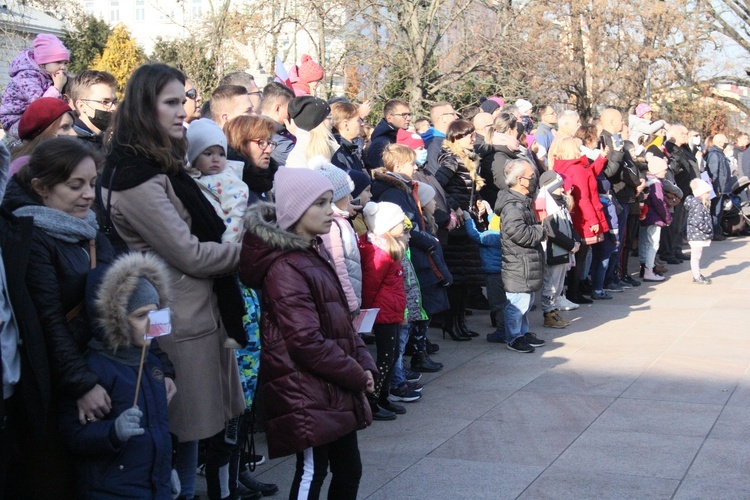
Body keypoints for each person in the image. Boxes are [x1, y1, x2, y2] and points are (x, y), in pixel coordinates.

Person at [100, 63, 245, 500]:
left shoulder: (159, 165)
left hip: (193, 314)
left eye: (184, 100)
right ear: (145, 108)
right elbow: (189, 253)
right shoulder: (138, 177)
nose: (184, 111)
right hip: (177, 322)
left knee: (190, 437)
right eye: (171, 102)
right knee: (180, 438)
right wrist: (245, 252)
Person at [240, 167, 377, 499]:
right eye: (321, 203)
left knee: (349, 470)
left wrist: (364, 364)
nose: (331, 210)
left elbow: (340, 323)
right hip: (307, 388)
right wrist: (357, 374)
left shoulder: (311, 252)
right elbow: (305, 341)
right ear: (296, 210)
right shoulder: (286, 266)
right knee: (313, 472)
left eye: (330, 201)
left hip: (332, 384)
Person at [2, 137, 117, 497]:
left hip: (101, 374)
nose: (88, 194)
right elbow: (47, 322)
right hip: (59, 392)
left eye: (92, 183)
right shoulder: (32, 238)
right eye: (75, 185)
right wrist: (81, 384)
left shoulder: (90, 231)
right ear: (41, 188)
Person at [60, 252, 174, 499]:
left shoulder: (152, 363)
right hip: (111, 489)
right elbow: (74, 435)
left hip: (153, 486)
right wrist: (113, 431)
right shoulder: (95, 368)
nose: (151, 323)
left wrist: (165, 472)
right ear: (116, 320)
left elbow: (158, 430)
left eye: (154, 314)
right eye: (140, 315)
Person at [435, 120, 486, 340]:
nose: (473, 139)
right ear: (456, 137)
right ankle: (451, 323)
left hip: (468, 221)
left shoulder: (470, 159)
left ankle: (460, 322)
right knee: (457, 278)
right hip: (457, 226)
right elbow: (437, 186)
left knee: (466, 278)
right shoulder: (451, 158)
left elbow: (470, 189)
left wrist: (479, 201)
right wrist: (456, 204)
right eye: (469, 136)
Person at [494, 159, 547, 353]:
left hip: (526, 262)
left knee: (525, 302)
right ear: (520, 180)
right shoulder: (512, 205)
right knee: (516, 304)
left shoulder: (522, 202)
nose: (534, 180)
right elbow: (518, 232)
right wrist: (541, 231)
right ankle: (513, 337)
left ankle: (522, 333)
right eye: (531, 177)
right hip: (518, 264)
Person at [551, 137, 609, 304]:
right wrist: (593, 220)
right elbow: (584, 197)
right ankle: (574, 292)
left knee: (578, 256)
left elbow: (589, 175)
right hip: (583, 217)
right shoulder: (576, 169)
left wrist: (601, 159)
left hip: (578, 214)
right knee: (580, 256)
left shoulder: (569, 166)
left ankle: (573, 290)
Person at [187, 118, 248, 243]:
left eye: (221, 154)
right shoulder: (188, 177)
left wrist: (228, 246)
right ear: (194, 157)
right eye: (208, 154)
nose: (216, 159)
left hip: (225, 243)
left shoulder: (229, 180)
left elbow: (236, 213)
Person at [314, 160, 362, 314]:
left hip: (347, 298)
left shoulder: (341, 220)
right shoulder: (331, 225)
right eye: (347, 193)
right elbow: (337, 265)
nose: (350, 197)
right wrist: (351, 302)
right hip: (342, 302)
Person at [0, 33, 70, 138]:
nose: (63, 67)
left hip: (30, 118)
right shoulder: (27, 76)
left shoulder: (47, 75)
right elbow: (40, 106)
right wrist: (57, 88)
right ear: (43, 62)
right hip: (15, 120)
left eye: (65, 63)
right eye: (58, 62)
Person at [536, 170, 580, 325]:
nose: (563, 189)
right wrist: (570, 244)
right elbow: (552, 231)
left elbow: (569, 224)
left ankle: (554, 311)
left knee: (559, 284)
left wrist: (576, 240)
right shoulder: (545, 205)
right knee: (551, 285)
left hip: (564, 251)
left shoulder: (560, 203)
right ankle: (549, 313)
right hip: (553, 252)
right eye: (559, 186)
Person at [463, 208, 505, 342]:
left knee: (497, 303)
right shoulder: (502, 234)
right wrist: (489, 210)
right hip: (504, 273)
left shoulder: (491, 236)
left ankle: (502, 332)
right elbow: (494, 220)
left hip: (493, 275)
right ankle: (507, 328)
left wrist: (468, 219)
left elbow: (474, 234)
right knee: (505, 302)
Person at [9, 97, 77, 175]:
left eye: (73, 126)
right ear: (44, 131)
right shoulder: (23, 167)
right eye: (65, 127)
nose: (74, 134)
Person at [224, 114, 279, 205]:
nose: (269, 150)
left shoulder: (265, 181)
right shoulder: (231, 187)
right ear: (241, 144)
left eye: (269, 143)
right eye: (261, 143)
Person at [639, 156, 672, 282]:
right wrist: (667, 218)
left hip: (647, 216)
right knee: (653, 244)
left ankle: (644, 267)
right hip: (655, 218)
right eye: (664, 169)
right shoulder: (656, 183)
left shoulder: (648, 180)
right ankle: (649, 270)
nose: (666, 171)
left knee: (645, 242)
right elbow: (660, 203)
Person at [481, 112, 521, 207]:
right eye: (516, 129)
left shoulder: (505, 151)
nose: (518, 133)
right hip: (506, 207)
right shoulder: (498, 157)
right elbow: (506, 186)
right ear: (510, 131)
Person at [286, 96, 338, 167]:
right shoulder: (297, 158)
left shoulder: (326, 149)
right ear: (317, 123)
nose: (332, 122)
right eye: (329, 117)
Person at [69, 70, 118, 142]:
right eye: (105, 102)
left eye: (114, 101)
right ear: (81, 106)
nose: (114, 107)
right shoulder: (71, 145)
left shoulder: (112, 139)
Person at [365, 99, 412, 170]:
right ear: (389, 117)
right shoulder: (381, 143)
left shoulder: (390, 137)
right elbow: (379, 173)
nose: (408, 118)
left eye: (409, 115)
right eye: (404, 115)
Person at [257, 82, 296, 167]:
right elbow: (306, 163)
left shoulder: (252, 127)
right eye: (290, 109)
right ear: (278, 108)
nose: (292, 115)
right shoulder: (280, 141)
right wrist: (300, 136)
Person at [684, 178, 714, 284]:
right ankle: (696, 276)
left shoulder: (698, 204)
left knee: (697, 255)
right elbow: (698, 222)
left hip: (695, 234)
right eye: (707, 193)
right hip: (696, 235)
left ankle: (697, 275)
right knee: (696, 256)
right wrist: (708, 229)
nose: (709, 195)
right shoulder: (698, 205)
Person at [705, 133, 733, 239]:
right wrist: (714, 188)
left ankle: (717, 232)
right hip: (717, 188)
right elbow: (713, 174)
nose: (727, 140)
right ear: (720, 142)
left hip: (722, 188)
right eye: (725, 139)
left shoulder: (720, 154)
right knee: (715, 211)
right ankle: (714, 233)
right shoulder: (714, 154)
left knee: (719, 211)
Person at [331, 101, 366, 172]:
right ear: (346, 124)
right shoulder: (337, 153)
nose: (362, 123)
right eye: (358, 120)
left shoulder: (349, 149)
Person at [425, 102, 459, 175]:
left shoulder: (443, 140)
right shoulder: (433, 143)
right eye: (453, 114)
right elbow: (434, 175)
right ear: (444, 118)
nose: (457, 117)